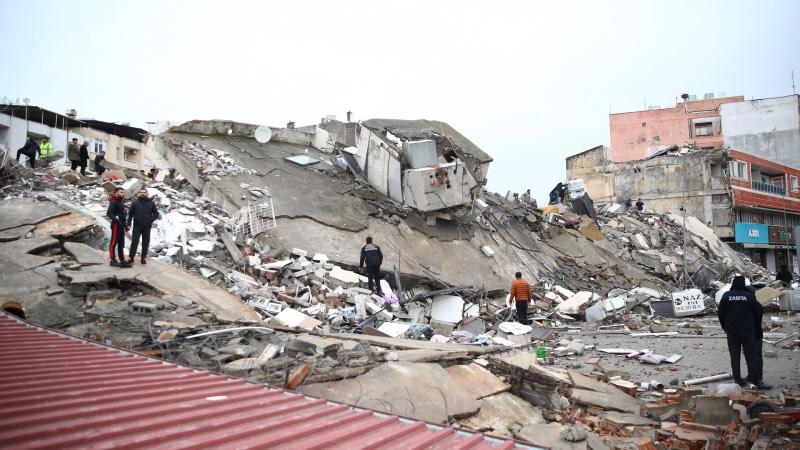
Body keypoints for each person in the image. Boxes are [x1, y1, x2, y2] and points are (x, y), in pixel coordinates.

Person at [718, 276, 770, 389]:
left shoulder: (726, 296)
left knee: (734, 356)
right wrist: (757, 330)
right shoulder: (750, 297)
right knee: (752, 356)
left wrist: (725, 327)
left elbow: (721, 313)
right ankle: (755, 380)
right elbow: (758, 314)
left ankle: (738, 380)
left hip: (732, 332)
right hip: (748, 331)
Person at [127, 187, 160, 265]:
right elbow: (130, 214)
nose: (142, 193)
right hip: (137, 226)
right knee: (134, 242)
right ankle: (131, 257)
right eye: (141, 192)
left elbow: (156, 214)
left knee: (145, 242)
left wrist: (150, 220)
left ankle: (143, 258)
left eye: (144, 192)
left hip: (147, 227)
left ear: (147, 194)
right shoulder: (135, 202)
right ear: (139, 193)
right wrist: (128, 223)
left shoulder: (151, 203)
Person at [107, 187, 131, 268]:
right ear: (116, 193)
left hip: (121, 226)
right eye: (121, 192)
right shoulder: (114, 202)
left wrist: (125, 226)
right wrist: (116, 220)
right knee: (113, 243)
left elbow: (122, 215)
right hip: (116, 225)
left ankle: (122, 261)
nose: (123, 194)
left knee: (121, 244)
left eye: (123, 192)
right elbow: (109, 213)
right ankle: (112, 260)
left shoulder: (120, 202)